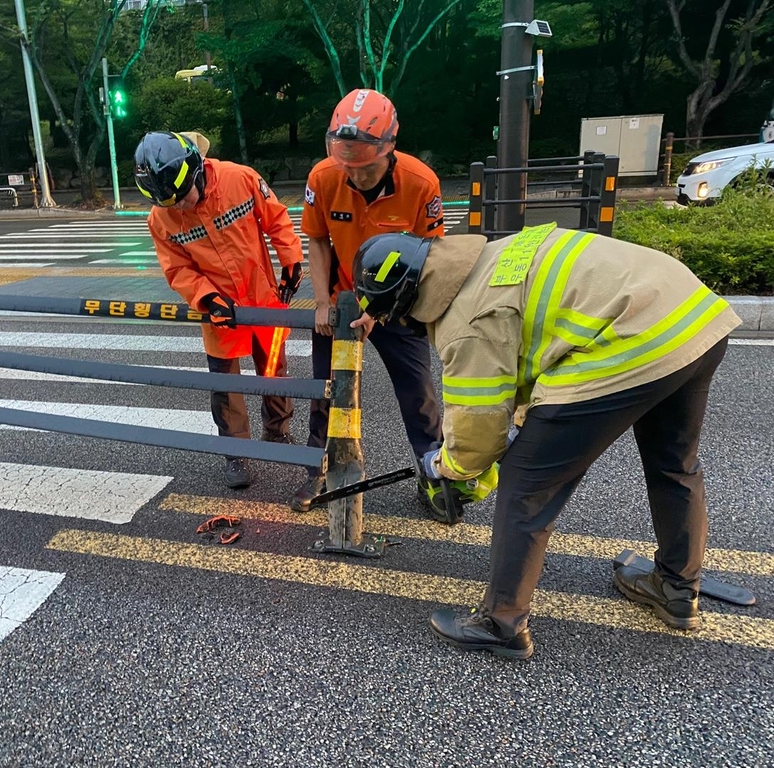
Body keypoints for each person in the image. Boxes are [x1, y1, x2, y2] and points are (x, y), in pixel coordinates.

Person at [352, 224, 740, 659]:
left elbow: (477, 434)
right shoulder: (488, 257)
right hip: (689, 314)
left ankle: (501, 622)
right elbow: (536, 354)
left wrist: (447, 468)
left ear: (408, 307)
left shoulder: (466, 323)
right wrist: (520, 423)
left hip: (628, 341)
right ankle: (675, 587)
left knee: (525, 483)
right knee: (673, 463)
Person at [293, 88, 447, 515]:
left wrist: (378, 311)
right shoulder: (323, 177)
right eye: (347, 165)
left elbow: (427, 259)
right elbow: (319, 240)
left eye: (364, 167)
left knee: (418, 394)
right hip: (342, 301)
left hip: (398, 302)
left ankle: (435, 477)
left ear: (389, 149)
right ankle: (317, 468)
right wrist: (322, 303)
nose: (355, 176)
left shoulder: (421, 184)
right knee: (323, 388)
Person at [135, 131, 305, 489]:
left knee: (274, 368)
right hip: (218, 307)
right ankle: (235, 454)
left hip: (262, 296)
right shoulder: (161, 218)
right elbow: (176, 268)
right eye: (170, 204)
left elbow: (276, 218)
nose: (179, 207)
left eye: (183, 198)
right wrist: (206, 298)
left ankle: (278, 431)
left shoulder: (239, 178)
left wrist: (291, 260)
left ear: (196, 172)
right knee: (225, 385)